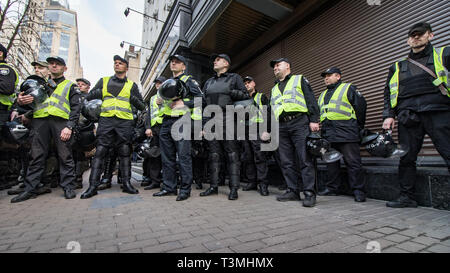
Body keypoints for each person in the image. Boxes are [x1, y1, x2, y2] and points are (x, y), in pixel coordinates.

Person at [382, 22, 450, 208]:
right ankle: (407, 197)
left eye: (420, 34)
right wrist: (389, 115)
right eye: (413, 35)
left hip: (439, 112)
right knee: (406, 158)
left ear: (431, 35)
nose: (416, 37)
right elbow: (389, 92)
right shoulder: (397, 66)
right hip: (409, 116)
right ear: (408, 40)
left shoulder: (444, 54)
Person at [12, 56, 81, 203]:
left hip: (61, 123)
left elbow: (76, 109)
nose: (54, 66)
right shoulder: (38, 84)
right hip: (40, 121)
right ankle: (30, 188)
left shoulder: (70, 86)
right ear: (49, 67)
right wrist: (20, 100)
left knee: (65, 156)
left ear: (64, 68)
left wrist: (69, 126)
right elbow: (25, 105)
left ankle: (68, 187)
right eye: (51, 64)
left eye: (58, 64)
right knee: (36, 155)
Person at [80, 55, 146, 199]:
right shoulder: (104, 81)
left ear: (126, 68)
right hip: (106, 120)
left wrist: (134, 103)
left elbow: (141, 106)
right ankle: (92, 186)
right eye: (115, 63)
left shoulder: (131, 85)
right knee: (100, 152)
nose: (117, 65)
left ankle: (127, 183)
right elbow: (89, 98)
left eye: (120, 63)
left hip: (124, 123)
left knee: (124, 152)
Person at [269, 58, 320, 207]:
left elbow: (310, 99)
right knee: (286, 160)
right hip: (281, 125)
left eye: (278, 65)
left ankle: (309, 192)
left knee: (305, 158)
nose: (275, 68)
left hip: (299, 122)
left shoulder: (299, 79)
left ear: (288, 66)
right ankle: (293, 190)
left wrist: (314, 120)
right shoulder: (274, 88)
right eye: (274, 67)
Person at [153, 55, 203, 201]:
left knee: (183, 156)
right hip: (166, 122)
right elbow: (165, 103)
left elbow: (201, 99)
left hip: (182, 121)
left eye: (177, 62)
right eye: (172, 62)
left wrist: (185, 104)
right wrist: (160, 101)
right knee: (167, 157)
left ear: (184, 66)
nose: (173, 63)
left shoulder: (189, 81)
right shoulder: (167, 84)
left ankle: (185, 190)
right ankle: (169, 188)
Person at [200, 54, 250, 200]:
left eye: (218, 59)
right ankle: (213, 187)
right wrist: (203, 125)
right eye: (214, 60)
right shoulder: (208, 82)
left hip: (229, 119)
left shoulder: (234, 78)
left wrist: (231, 92)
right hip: (211, 121)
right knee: (214, 155)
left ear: (226, 64)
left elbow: (246, 96)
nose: (215, 61)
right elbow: (203, 105)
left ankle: (234, 188)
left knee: (232, 154)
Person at [317, 67, 367, 202]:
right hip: (328, 134)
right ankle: (332, 188)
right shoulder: (322, 95)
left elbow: (361, 107)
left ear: (338, 76)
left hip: (347, 132)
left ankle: (358, 191)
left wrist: (358, 127)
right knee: (331, 163)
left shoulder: (348, 88)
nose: (326, 78)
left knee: (353, 163)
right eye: (324, 77)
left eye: (329, 76)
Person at [241, 76, 271, 196]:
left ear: (254, 83)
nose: (246, 85)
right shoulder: (241, 99)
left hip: (258, 129)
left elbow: (267, 114)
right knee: (248, 157)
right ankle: (251, 182)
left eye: (249, 82)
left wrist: (267, 130)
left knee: (259, 157)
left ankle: (263, 184)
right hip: (244, 130)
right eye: (245, 83)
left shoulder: (261, 97)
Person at [143, 76, 166, 190]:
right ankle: (155, 181)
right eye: (156, 83)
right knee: (154, 156)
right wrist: (148, 127)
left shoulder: (170, 95)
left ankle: (167, 182)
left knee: (167, 156)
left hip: (166, 128)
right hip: (155, 129)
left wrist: (163, 103)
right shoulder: (152, 98)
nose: (158, 84)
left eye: (160, 83)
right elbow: (149, 115)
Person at [73, 78, 92, 189]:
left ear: (88, 87)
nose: (79, 86)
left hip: (85, 129)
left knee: (82, 155)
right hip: (72, 128)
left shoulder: (90, 98)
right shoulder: (73, 97)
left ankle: (78, 178)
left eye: (83, 84)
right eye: (78, 84)